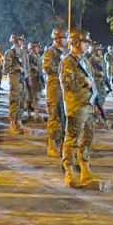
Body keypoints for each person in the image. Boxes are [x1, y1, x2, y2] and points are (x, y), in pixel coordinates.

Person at [59, 29, 99, 187]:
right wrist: (83, 81)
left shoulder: (85, 61)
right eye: (84, 42)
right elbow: (67, 84)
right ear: (75, 43)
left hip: (88, 104)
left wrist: (95, 103)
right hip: (76, 105)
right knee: (72, 140)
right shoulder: (67, 62)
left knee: (87, 138)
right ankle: (69, 170)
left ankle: (85, 168)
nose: (87, 45)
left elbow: (93, 83)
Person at [42, 28, 67, 158]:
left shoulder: (65, 52)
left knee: (63, 118)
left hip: (64, 88)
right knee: (54, 117)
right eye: (64, 38)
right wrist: (64, 70)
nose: (66, 40)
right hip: (54, 88)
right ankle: (51, 146)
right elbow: (48, 68)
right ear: (57, 39)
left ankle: (61, 144)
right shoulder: (50, 52)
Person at [3, 33, 28, 134]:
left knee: (22, 102)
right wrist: (16, 68)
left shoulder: (23, 53)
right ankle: (12, 123)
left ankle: (19, 122)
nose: (21, 42)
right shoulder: (9, 53)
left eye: (22, 40)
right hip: (15, 80)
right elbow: (6, 69)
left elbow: (27, 67)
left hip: (23, 80)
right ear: (15, 41)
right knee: (15, 101)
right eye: (19, 40)